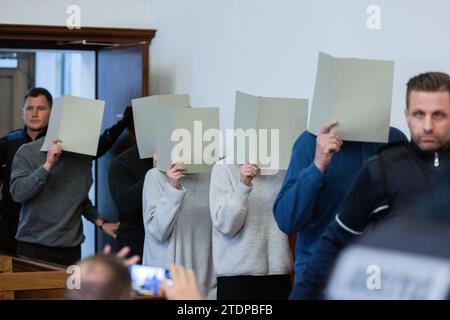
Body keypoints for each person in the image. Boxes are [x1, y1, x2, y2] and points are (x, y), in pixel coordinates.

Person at [295, 71, 450, 299]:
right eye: (419, 114)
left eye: (438, 115)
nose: (427, 125)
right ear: (406, 115)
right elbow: (334, 243)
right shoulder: (381, 170)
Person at [273, 121, 407, 298]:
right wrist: (318, 165)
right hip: (320, 282)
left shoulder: (395, 140)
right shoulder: (310, 142)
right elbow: (286, 220)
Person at [0, 88, 132, 255]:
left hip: (70, 247)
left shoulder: (80, 155)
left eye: (40, 108)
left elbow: (78, 197)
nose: (34, 114)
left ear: (53, 113)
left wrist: (100, 222)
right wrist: (47, 165)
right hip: (27, 239)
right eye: (29, 108)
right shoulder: (18, 147)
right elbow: (18, 193)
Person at [209, 160, 293, 299]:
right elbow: (225, 226)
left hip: (278, 275)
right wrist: (243, 184)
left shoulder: (282, 167)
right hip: (236, 279)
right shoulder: (223, 167)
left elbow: (291, 218)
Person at [142, 163, 216, 300]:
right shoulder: (155, 175)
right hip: (163, 283)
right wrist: (172, 185)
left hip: (203, 282)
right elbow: (159, 232)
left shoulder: (212, 176)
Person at [109, 113, 153, 258]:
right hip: (135, 246)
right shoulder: (122, 163)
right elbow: (127, 204)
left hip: (174, 247)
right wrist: (155, 173)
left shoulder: (183, 159)